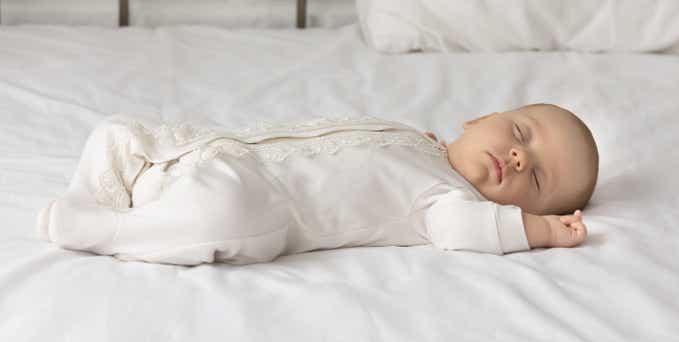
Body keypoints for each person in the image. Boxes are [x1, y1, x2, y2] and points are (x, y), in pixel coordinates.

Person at [36, 103, 598, 266]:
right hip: (215, 149)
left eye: (539, 177)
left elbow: (465, 229)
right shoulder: (415, 136)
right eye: (522, 132)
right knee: (121, 131)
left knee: (221, 216)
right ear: (477, 120)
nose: (520, 156)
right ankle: (97, 192)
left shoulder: (446, 199)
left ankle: (112, 228)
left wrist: (540, 231)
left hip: (264, 203)